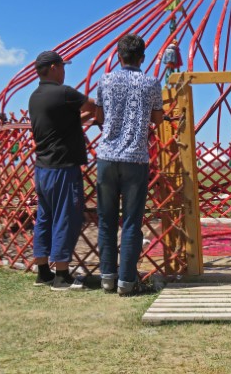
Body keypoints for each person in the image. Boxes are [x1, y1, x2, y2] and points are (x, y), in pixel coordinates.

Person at [95, 34, 163, 294]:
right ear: (142, 58)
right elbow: (157, 119)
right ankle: (126, 282)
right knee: (132, 222)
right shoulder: (151, 83)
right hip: (135, 159)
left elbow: (100, 115)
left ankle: (107, 278)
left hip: (107, 158)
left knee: (106, 220)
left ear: (118, 56)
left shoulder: (106, 80)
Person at [28, 50, 96, 290]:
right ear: (55, 67)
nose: (65, 71)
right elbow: (93, 106)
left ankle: (43, 272)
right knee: (66, 217)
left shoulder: (34, 96)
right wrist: (86, 118)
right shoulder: (64, 93)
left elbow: (60, 123)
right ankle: (62, 275)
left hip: (42, 169)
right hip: (63, 168)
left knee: (44, 219)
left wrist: (76, 121)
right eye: (63, 67)